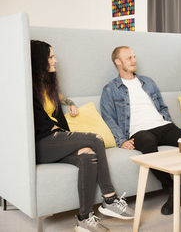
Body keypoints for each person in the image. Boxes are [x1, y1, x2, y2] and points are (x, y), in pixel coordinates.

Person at [30, 40, 133, 232]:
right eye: (51, 57)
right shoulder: (29, 88)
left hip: (55, 140)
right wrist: (59, 132)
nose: (56, 60)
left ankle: (84, 218)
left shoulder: (48, 85)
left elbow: (58, 113)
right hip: (40, 145)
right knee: (95, 138)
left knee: (88, 155)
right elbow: (37, 121)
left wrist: (68, 107)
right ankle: (109, 198)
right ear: (39, 60)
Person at [100, 46, 181, 215]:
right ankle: (171, 189)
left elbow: (161, 106)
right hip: (139, 131)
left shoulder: (148, 81)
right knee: (148, 144)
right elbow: (109, 117)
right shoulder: (110, 89)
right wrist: (121, 140)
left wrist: (170, 124)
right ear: (118, 62)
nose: (134, 60)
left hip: (162, 125)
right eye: (129, 58)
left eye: (134, 56)